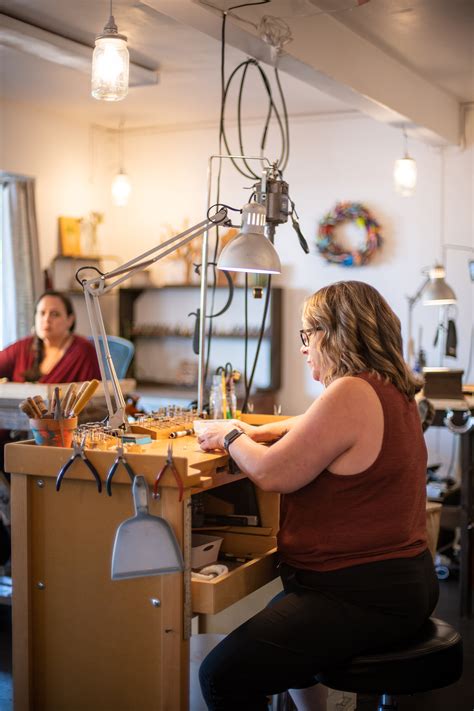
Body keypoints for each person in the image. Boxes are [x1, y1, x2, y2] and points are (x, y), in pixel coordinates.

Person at [197, 280, 438, 711]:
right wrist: (260, 430)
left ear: (336, 332)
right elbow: (309, 425)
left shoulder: (350, 391)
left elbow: (272, 472)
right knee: (282, 624)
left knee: (220, 676)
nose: (304, 347)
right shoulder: (388, 388)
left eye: (308, 335)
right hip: (398, 584)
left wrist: (229, 433)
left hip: (361, 596)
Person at [0, 290, 101, 384]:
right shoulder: (23, 347)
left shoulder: (84, 351)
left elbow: (94, 397)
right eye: (42, 313)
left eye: (55, 314)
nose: (46, 319)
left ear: (70, 320)